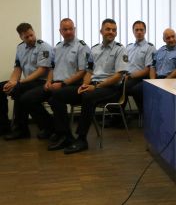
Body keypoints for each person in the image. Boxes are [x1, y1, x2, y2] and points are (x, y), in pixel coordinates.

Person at [60, 18, 128, 154]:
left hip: (112, 88)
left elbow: (118, 76)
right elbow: (89, 71)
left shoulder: (121, 49)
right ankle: (64, 135)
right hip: (92, 86)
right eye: (108, 29)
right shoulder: (94, 49)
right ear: (101, 31)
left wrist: (95, 87)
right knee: (58, 95)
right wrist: (84, 85)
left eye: (114, 30)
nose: (111, 32)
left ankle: (81, 139)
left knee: (88, 97)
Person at [29, 18, 90, 150]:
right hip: (57, 84)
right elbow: (52, 68)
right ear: (60, 31)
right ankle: (51, 128)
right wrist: (49, 81)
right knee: (28, 99)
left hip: (74, 86)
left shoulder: (81, 46)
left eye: (70, 29)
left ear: (74, 29)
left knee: (55, 98)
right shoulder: (57, 47)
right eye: (65, 29)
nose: (68, 32)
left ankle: (66, 136)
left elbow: (82, 72)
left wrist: (62, 84)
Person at [1, 23, 53, 139]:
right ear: (21, 37)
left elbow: (42, 70)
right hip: (27, 82)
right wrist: (11, 82)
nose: (30, 38)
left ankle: (21, 129)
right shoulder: (20, 47)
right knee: (2, 87)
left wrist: (18, 83)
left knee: (18, 89)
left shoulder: (43, 47)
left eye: (31, 35)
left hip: (41, 81)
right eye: (26, 37)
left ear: (34, 32)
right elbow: (17, 68)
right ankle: (4, 126)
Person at [124, 20, 156, 115]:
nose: (139, 32)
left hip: (141, 77)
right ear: (133, 31)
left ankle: (144, 114)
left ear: (145, 31)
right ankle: (120, 115)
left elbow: (147, 70)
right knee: (118, 86)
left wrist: (129, 76)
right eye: (136, 30)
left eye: (141, 30)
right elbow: (124, 64)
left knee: (124, 87)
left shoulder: (150, 47)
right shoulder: (128, 47)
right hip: (128, 77)